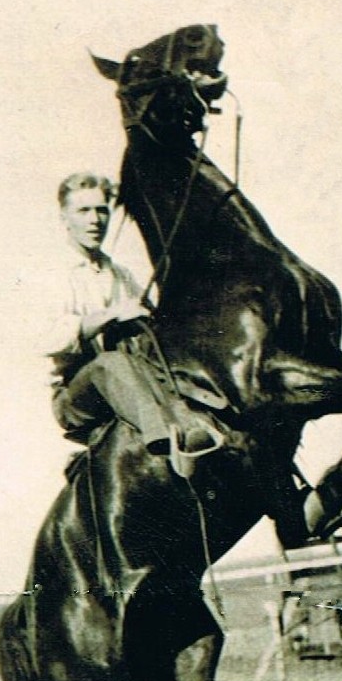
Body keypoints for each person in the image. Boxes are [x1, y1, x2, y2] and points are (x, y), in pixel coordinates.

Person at [48, 172, 223, 474]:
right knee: (110, 363)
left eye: (102, 211)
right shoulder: (52, 272)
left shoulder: (120, 274)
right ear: (65, 217)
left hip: (131, 377)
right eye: (84, 211)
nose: (95, 220)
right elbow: (49, 338)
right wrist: (112, 315)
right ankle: (169, 439)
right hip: (76, 394)